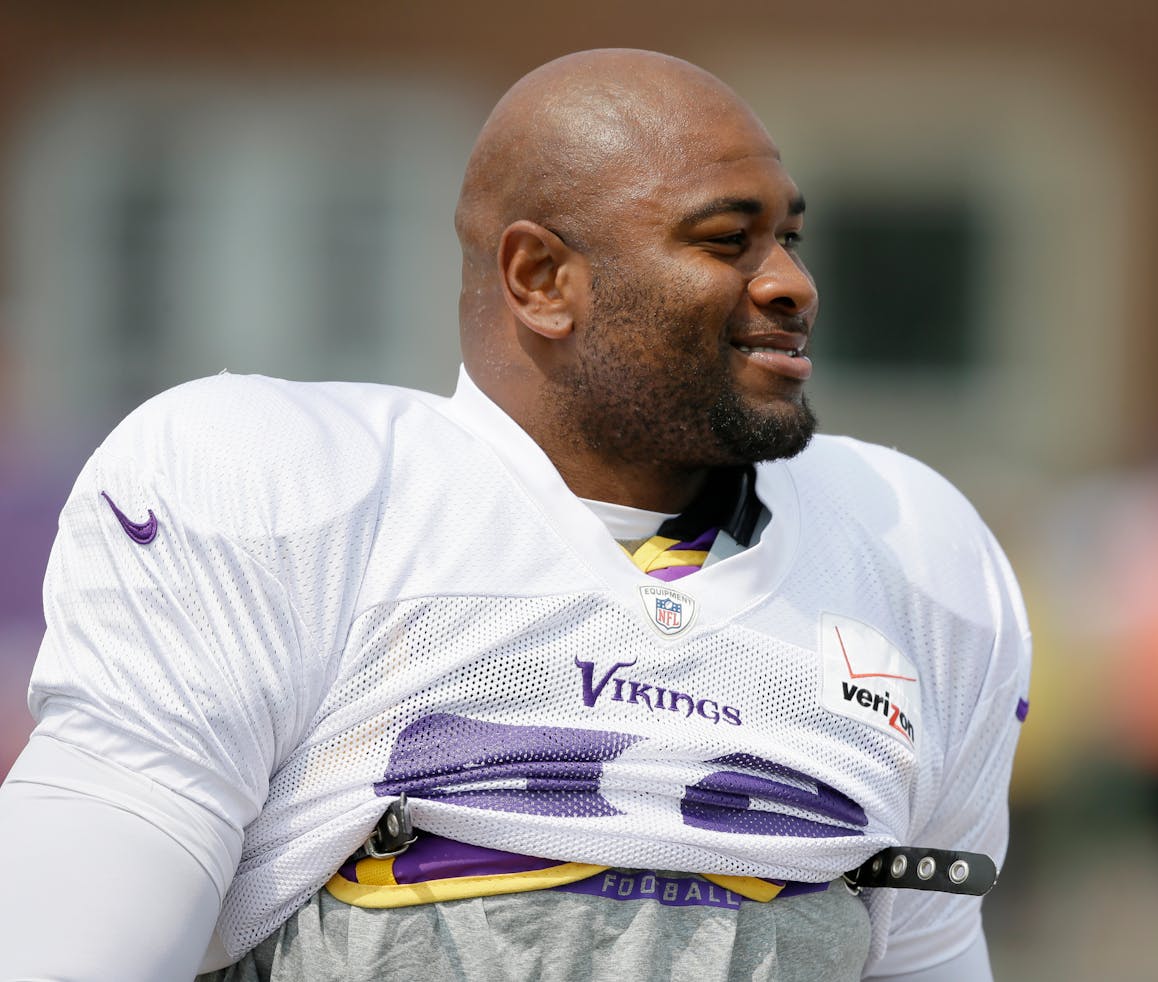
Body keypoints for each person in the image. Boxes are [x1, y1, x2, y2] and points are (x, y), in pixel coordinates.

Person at [0, 49, 1031, 981]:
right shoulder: (286, 491)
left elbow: (925, 959)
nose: (792, 285)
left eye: (789, 237)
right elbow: (73, 944)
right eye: (728, 241)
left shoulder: (907, 548)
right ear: (541, 278)